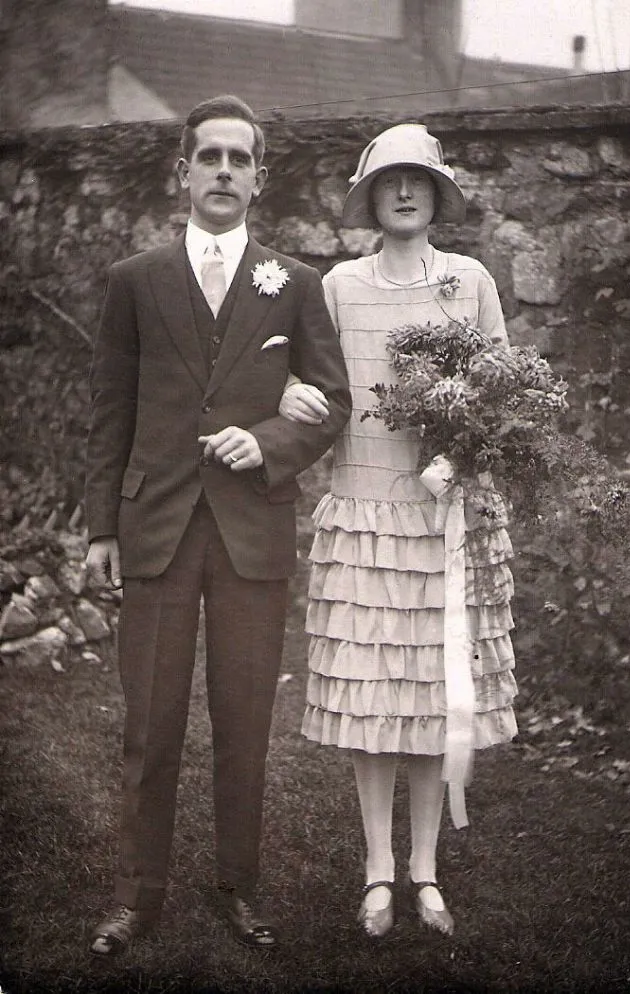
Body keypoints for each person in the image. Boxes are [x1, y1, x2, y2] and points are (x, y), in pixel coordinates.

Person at [84, 94, 351, 954]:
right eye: (210, 157)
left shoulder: (295, 284)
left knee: (243, 724)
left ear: (260, 179)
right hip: (155, 526)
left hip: (251, 533)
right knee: (149, 726)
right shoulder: (134, 280)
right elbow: (109, 410)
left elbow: (331, 403)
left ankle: (239, 888)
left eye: (240, 159)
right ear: (184, 172)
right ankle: (136, 897)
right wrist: (100, 528)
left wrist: (267, 439)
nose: (225, 172)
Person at [282, 123, 517, 939]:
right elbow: (312, 384)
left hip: (447, 517)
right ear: (372, 200)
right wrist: (290, 402)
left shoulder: (469, 280)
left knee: (431, 693)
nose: (405, 193)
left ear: (437, 194)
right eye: (390, 183)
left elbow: (503, 395)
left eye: (418, 180)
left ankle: (426, 871)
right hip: (365, 512)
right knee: (373, 697)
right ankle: (377, 869)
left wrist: (457, 460)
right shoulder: (338, 286)